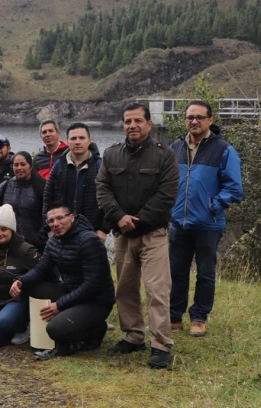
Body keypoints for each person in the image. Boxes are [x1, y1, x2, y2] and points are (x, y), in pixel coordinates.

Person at [96, 102, 179, 369]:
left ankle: (161, 345)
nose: (132, 125)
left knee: (157, 290)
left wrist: (139, 219)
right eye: (127, 121)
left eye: (137, 121)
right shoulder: (111, 155)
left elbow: (167, 195)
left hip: (154, 233)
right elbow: (102, 188)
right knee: (125, 288)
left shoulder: (164, 156)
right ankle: (134, 336)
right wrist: (119, 217)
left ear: (149, 124)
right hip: (122, 235)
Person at [169, 101, 243, 337]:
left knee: (205, 273)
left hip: (208, 224)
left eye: (200, 117)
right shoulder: (175, 147)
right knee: (176, 271)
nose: (194, 121)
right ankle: (174, 317)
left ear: (210, 120)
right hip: (178, 222)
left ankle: (199, 317)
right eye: (190, 117)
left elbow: (234, 188)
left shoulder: (223, 149)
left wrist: (213, 205)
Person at [10, 205, 115, 360]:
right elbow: (41, 270)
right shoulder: (53, 241)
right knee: (28, 287)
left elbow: (92, 285)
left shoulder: (89, 240)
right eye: (51, 220)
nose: (55, 223)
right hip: (71, 292)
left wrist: (60, 305)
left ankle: (96, 330)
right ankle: (33, 331)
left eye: (60, 218)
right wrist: (20, 281)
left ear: (72, 217)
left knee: (55, 329)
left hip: (96, 301)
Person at [0, 205, 39, 348]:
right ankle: (8, 329)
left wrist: (23, 288)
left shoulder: (26, 251)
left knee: (5, 321)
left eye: (4, 229)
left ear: (12, 230)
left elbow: (42, 275)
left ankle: (23, 326)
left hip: (18, 301)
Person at [43, 123, 109, 242]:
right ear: (67, 141)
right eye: (73, 138)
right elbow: (48, 197)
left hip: (91, 232)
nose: (77, 142)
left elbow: (109, 198)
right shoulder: (59, 165)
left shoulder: (100, 166)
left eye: (82, 138)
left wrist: (104, 229)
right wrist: (48, 227)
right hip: (62, 232)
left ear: (89, 140)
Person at [0, 151, 47, 251]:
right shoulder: (5, 186)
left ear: (31, 166)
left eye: (23, 164)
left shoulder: (42, 186)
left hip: (34, 245)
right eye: (16, 165)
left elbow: (48, 214)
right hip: (8, 243)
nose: (19, 168)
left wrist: (40, 237)